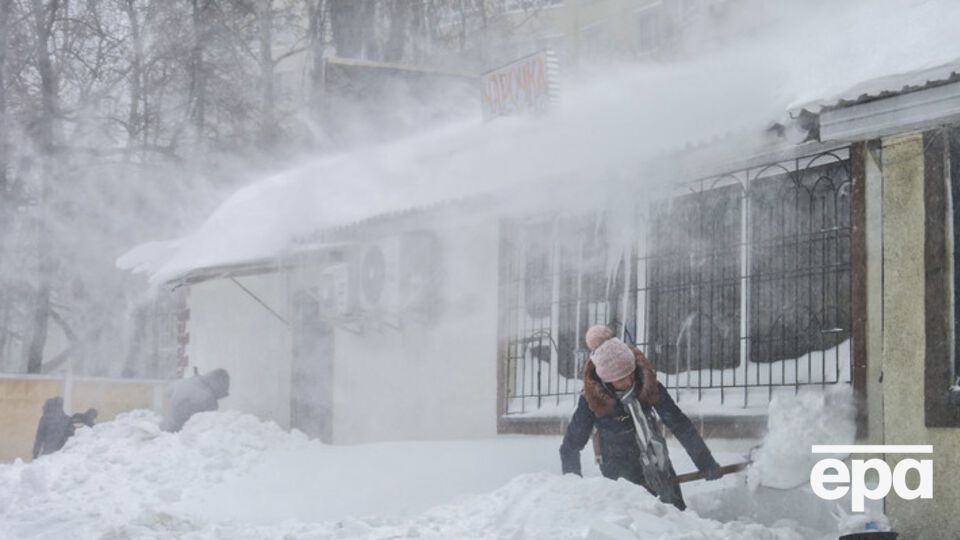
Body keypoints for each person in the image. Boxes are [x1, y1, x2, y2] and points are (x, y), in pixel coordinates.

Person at [560, 325, 722, 510]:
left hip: (660, 468)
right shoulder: (592, 399)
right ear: (605, 380)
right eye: (620, 379)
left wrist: (705, 462)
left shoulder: (646, 384)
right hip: (620, 479)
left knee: (677, 520)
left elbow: (680, 425)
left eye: (630, 374)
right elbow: (570, 447)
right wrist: (573, 490)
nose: (629, 382)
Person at [161, 368, 230, 432]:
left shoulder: (187, 382)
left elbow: (167, 391)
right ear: (218, 385)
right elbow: (210, 424)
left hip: (167, 428)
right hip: (185, 433)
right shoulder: (208, 398)